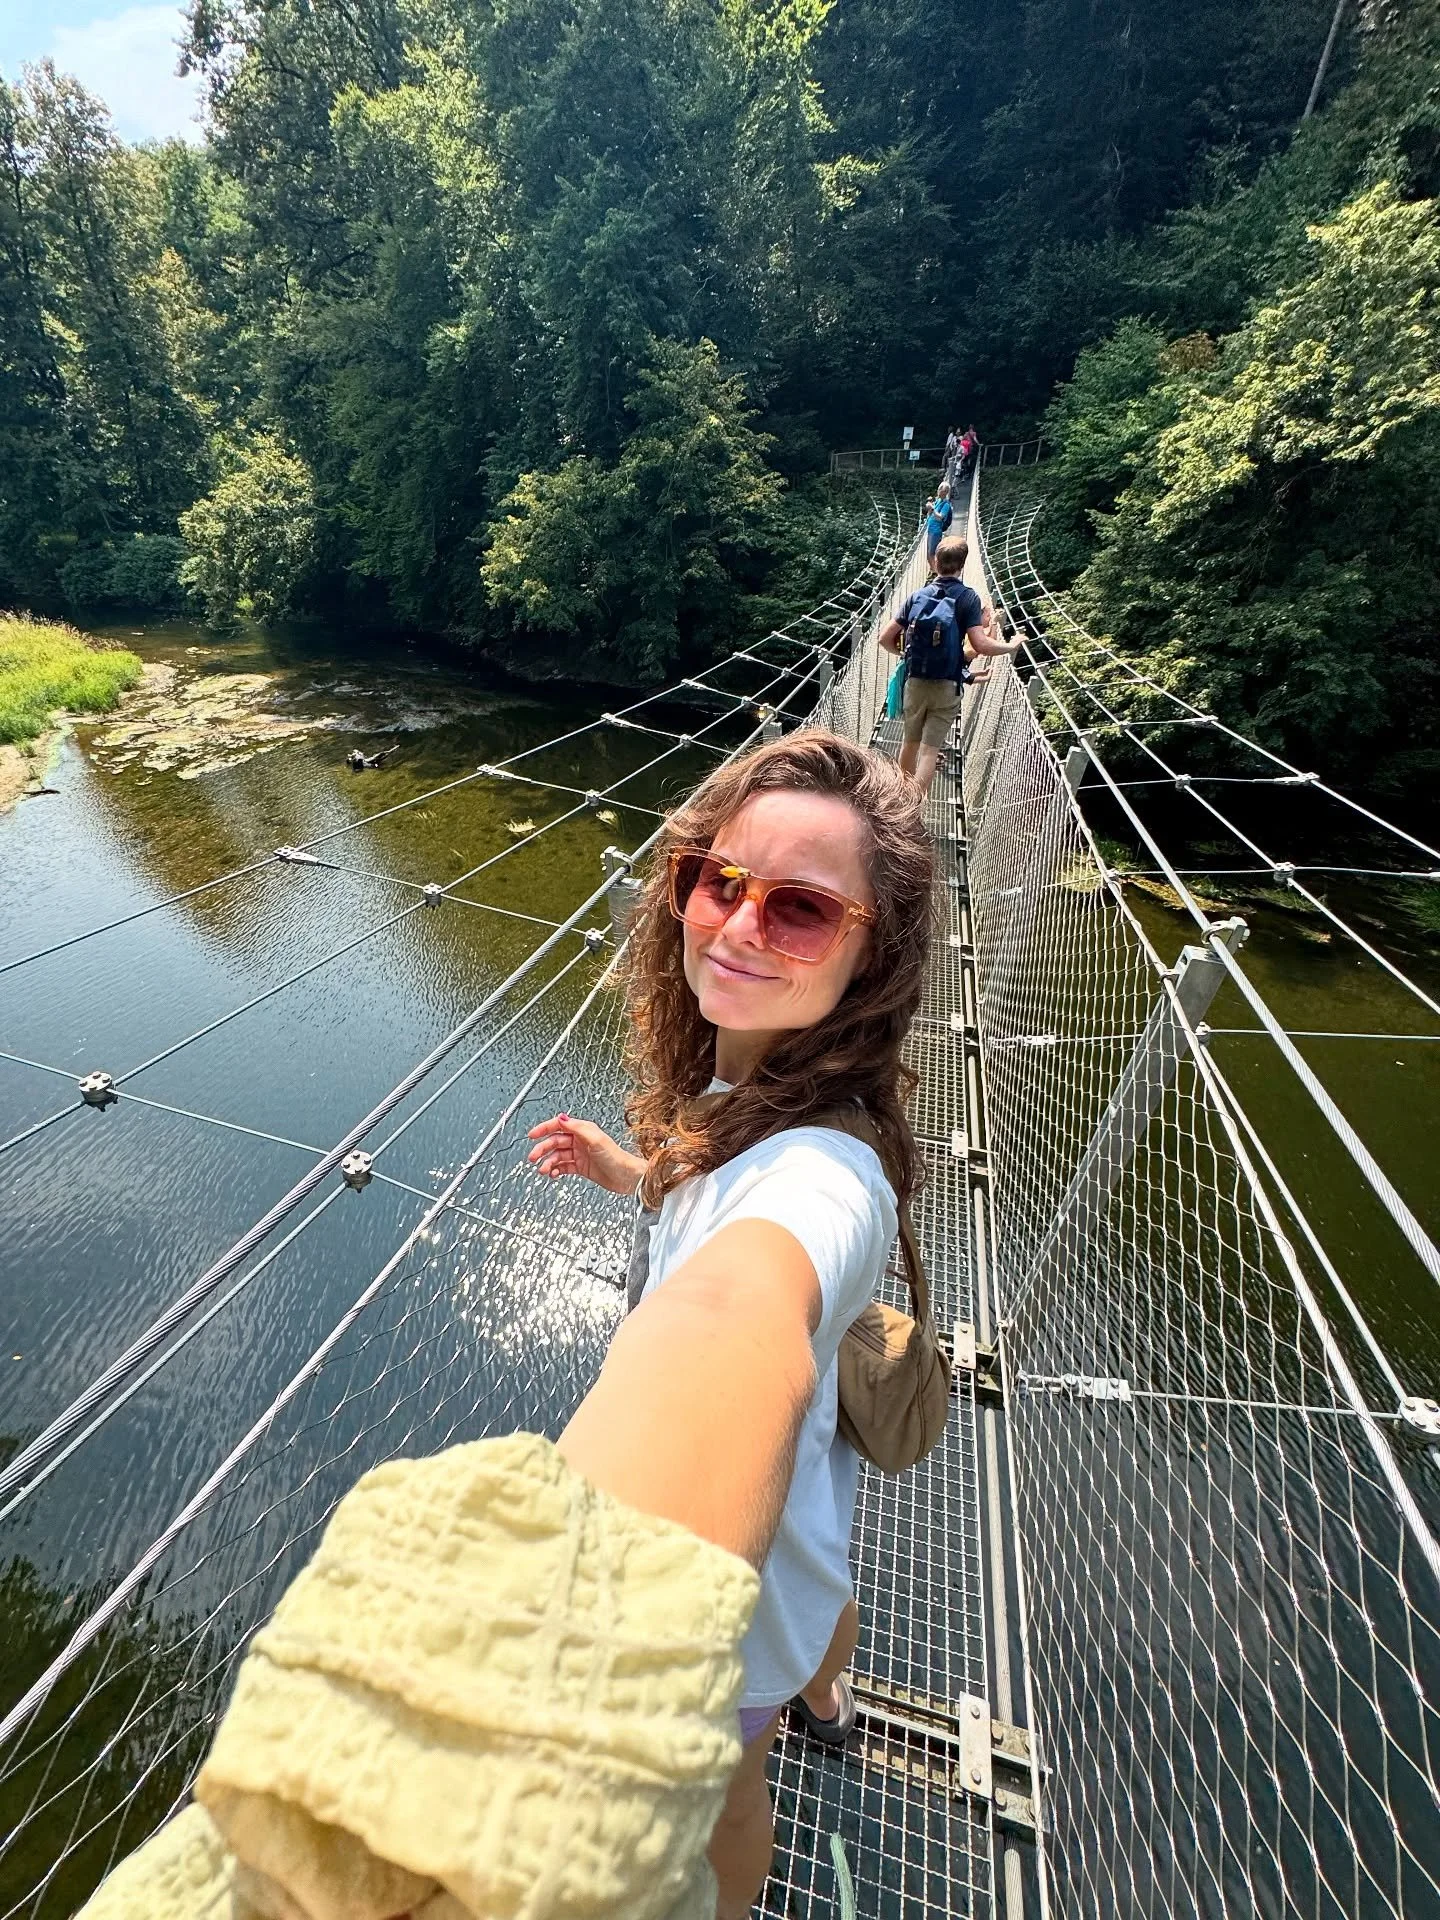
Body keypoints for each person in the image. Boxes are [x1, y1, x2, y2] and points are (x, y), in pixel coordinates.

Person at [526, 732, 934, 1920]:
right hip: (798, 1515)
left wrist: (563, 1629)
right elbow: (717, 1182)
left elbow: (738, 1308)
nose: (740, 927)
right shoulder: (750, 1083)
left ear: (876, 956)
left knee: (727, 1796)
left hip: (728, 1609)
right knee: (829, 1550)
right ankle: (830, 1694)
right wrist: (632, 1172)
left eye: (801, 909)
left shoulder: (829, 1178)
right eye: (721, 882)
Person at [879, 533, 1020, 796]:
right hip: (946, 686)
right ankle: (913, 808)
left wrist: (904, 656)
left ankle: (898, 800)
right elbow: (980, 645)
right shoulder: (968, 598)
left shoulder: (917, 596)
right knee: (930, 751)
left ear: (934, 562)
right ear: (962, 564)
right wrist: (1011, 646)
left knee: (909, 742)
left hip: (916, 681)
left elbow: (884, 639)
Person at [924, 484, 953, 566]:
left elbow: (940, 517)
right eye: (939, 489)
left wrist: (932, 508)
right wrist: (929, 509)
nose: (939, 492)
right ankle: (933, 570)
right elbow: (930, 515)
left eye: (941, 490)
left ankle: (936, 571)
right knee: (929, 553)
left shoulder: (946, 505)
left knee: (932, 553)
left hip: (936, 531)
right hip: (930, 529)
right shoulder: (938, 501)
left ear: (945, 492)